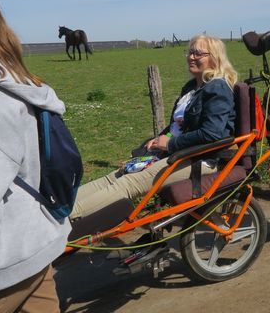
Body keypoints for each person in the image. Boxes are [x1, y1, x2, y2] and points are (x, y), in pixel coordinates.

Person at [70, 34, 237, 220]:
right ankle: (60, 207)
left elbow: (212, 134)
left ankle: (66, 218)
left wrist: (169, 144)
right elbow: (177, 126)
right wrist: (159, 139)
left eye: (198, 53)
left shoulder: (218, 88)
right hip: (179, 152)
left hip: (199, 158)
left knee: (128, 183)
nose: (191, 57)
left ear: (214, 58)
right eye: (190, 52)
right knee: (118, 174)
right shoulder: (192, 87)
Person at [0, 5, 70, 313]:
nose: (192, 57)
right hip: (37, 239)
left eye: (200, 53)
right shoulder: (25, 86)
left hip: (11, 254)